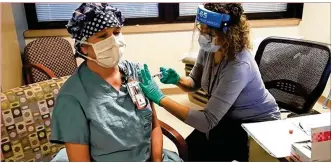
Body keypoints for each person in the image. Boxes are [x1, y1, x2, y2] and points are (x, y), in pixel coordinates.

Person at [138, 3, 281, 162]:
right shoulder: (210, 48)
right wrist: (177, 80)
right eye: (202, 29)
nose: (204, 36)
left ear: (230, 33)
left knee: (205, 152)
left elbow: (206, 121)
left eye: (210, 32)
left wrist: (160, 98)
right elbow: (194, 82)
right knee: (191, 145)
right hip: (227, 116)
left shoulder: (238, 66)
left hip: (256, 124)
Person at [50, 3, 181, 162]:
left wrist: (156, 160)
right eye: (103, 36)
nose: (114, 41)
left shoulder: (136, 72)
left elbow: (154, 127)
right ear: (84, 46)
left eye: (117, 32)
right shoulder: (72, 97)